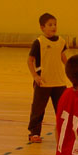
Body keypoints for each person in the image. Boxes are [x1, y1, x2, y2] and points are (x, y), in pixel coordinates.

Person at [27, 13, 67, 143]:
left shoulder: (61, 41)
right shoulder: (39, 42)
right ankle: (34, 133)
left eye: (55, 24)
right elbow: (30, 61)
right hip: (43, 82)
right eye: (50, 25)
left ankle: (64, 132)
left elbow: (63, 58)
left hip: (59, 82)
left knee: (63, 110)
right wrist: (35, 76)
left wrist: (71, 69)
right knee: (38, 109)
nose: (53, 27)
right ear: (42, 27)